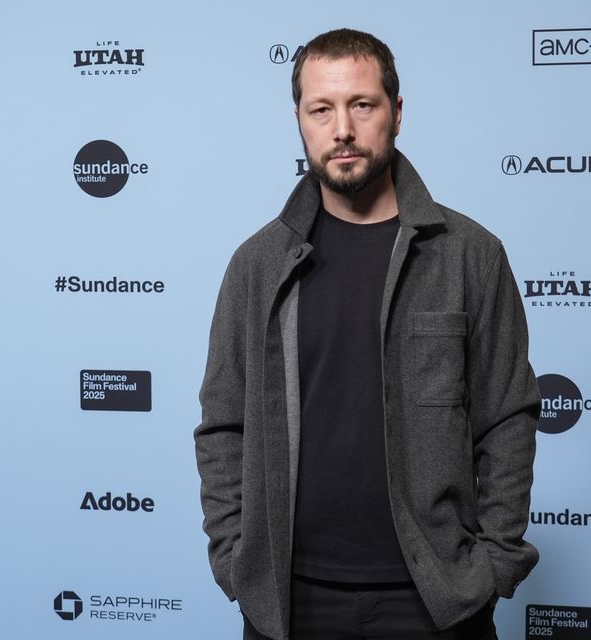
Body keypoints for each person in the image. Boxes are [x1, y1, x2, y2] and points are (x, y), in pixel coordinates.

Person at [195, 28, 540, 640]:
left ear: (397, 113)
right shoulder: (257, 264)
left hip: (437, 600)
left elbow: (507, 418)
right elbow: (224, 422)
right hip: (290, 601)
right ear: (299, 120)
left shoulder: (470, 255)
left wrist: (490, 566)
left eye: (362, 105)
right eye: (320, 110)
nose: (342, 130)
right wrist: (235, 559)